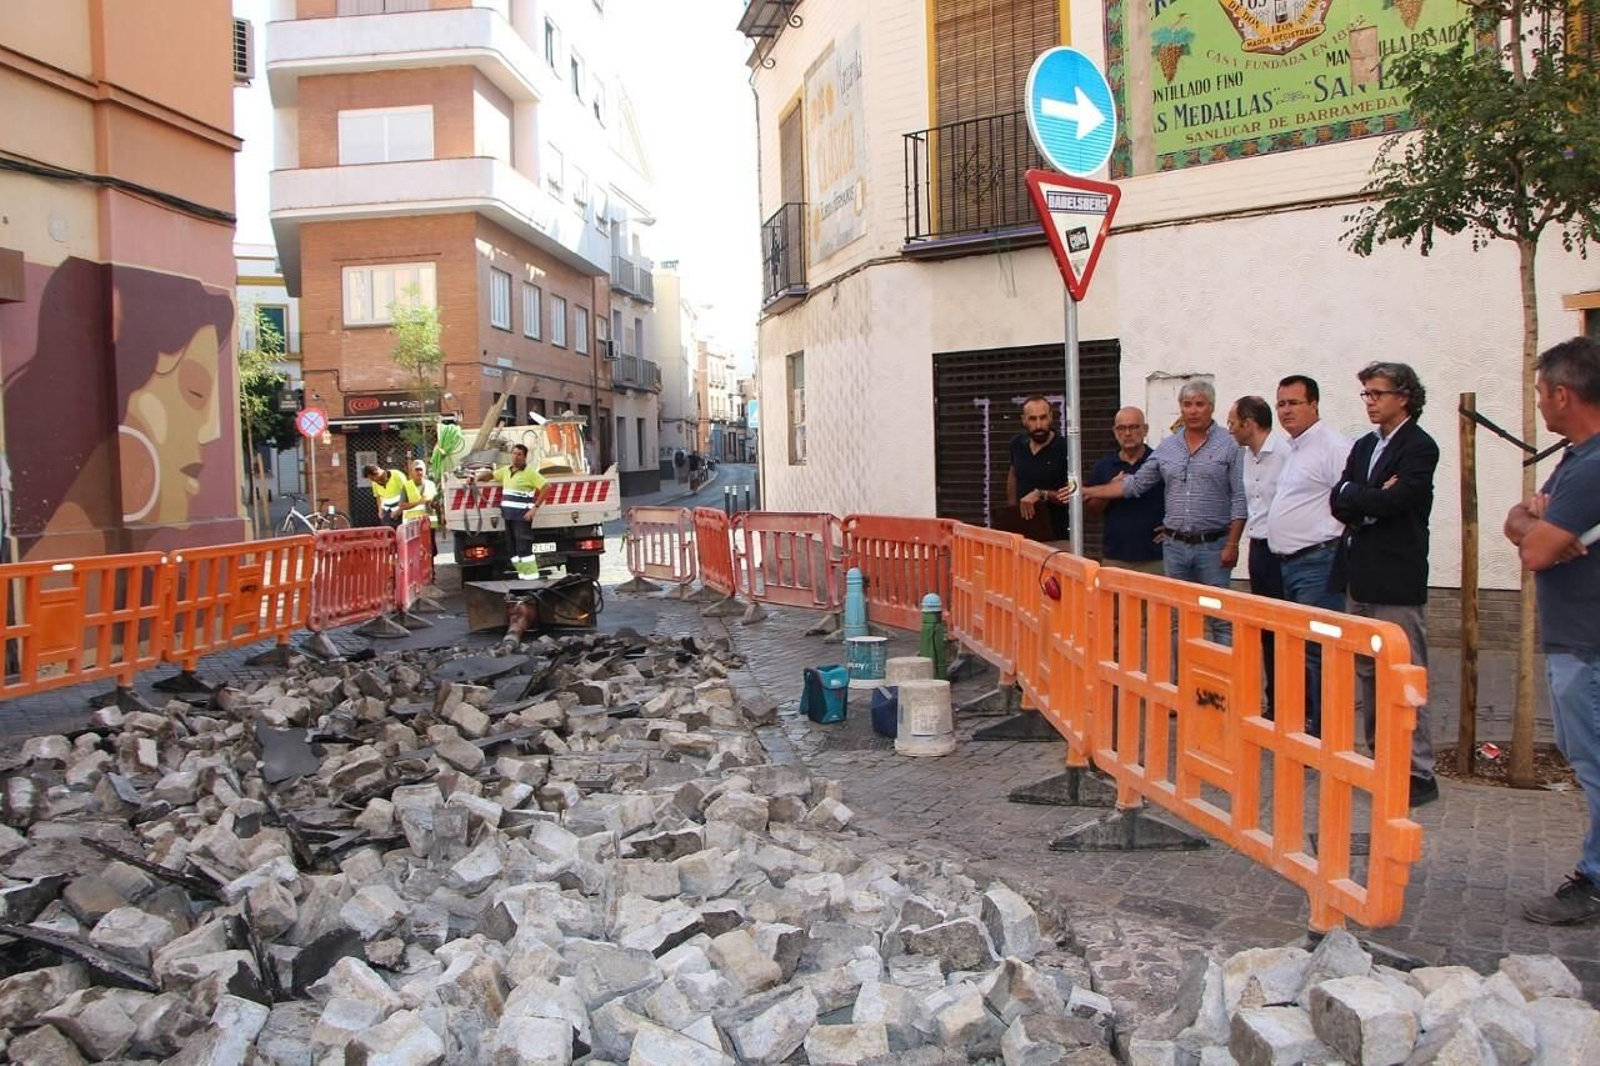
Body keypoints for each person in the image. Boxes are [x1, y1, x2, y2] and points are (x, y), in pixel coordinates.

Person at [1504, 337, 1600, 926]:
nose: (1539, 405)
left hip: (1587, 642)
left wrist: (1538, 525)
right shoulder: (1573, 458)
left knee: (1593, 767)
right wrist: (1533, 521)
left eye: (1541, 393)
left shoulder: (1590, 466)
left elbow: (1535, 551)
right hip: (1575, 639)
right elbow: (1526, 525)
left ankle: (1594, 882)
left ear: (1563, 394)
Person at [1330, 362, 1440, 808]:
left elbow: (1399, 500)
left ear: (1404, 397)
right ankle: (1381, 757)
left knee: (1404, 671)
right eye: (1367, 395)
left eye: (1378, 394)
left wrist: (1362, 497)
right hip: (1361, 572)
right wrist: (1363, 497)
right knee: (1368, 671)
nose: (1371, 402)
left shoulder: (1419, 447)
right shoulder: (1363, 446)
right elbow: (1339, 498)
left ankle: (1417, 770)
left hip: (1396, 575)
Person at [1076, 381, 1245, 641]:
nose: (1193, 410)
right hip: (1176, 549)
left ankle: (1222, 682)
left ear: (1211, 407)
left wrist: (1233, 543)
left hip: (1213, 547)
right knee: (1178, 621)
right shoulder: (1169, 448)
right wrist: (1089, 491)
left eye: (1199, 404)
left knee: (1220, 621)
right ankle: (1182, 682)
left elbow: (1239, 498)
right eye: (1187, 405)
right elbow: (1134, 484)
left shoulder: (1229, 445)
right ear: (1180, 408)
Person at [1265, 375, 1351, 737]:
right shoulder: (1295, 449)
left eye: (1294, 403)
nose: (1286, 411)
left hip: (1318, 561)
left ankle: (1327, 734)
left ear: (1314, 404)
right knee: (1297, 650)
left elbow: (1348, 499)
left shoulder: (1332, 446)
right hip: (1289, 564)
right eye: (1281, 404)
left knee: (1319, 653)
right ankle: (1306, 726)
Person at [1228, 395, 1288, 715]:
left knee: (1286, 632)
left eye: (1232, 423)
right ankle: (1274, 701)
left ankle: (1297, 703)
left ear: (1248, 424)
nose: (1229, 430)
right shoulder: (1246, 457)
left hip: (1283, 552)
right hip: (1259, 549)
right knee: (1265, 629)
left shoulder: (1284, 453)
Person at [1085, 407, 1164, 573]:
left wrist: (1173, 527)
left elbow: (1180, 496)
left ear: (1145, 429)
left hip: (1156, 558)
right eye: (1122, 428)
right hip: (1115, 558)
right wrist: (1110, 489)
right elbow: (1092, 511)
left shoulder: (1160, 462)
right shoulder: (1104, 466)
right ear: (1114, 432)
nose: (1127, 433)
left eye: (1134, 427)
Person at [1007, 395, 1073, 544]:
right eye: (1032, 419)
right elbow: (1013, 475)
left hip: (1056, 538)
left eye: (1043, 418)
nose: (1038, 425)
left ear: (1051, 417)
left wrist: (1042, 494)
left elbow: (1072, 495)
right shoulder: (1017, 444)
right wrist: (1011, 513)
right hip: (1023, 537)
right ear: (1023, 420)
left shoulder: (1066, 448)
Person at [475, 443, 550, 559]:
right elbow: (491, 475)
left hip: (522, 517)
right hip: (509, 516)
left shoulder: (530, 473)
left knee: (523, 549)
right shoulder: (506, 471)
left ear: (525, 457)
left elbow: (547, 487)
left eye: (519, 454)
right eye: (514, 453)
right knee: (512, 550)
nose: (516, 456)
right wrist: (475, 478)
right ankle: (522, 574)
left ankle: (529, 575)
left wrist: (535, 508)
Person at [363, 464, 409, 528]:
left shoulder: (397, 475)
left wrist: (399, 510)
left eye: (372, 478)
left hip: (402, 510)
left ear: (377, 473)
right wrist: (380, 510)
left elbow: (407, 493)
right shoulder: (375, 483)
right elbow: (378, 496)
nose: (372, 481)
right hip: (387, 511)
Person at [401, 459, 438, 524]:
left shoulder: (431, 484)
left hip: (430, 520)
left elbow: (436, 502)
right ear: (412, 471)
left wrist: (432, 504)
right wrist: (418, 502)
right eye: (417, 470)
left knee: (431, 534)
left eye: (421, 469)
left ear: (425, 471)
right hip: (412, 522)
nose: (419, 472)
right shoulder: (406, 486)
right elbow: (402, 505)